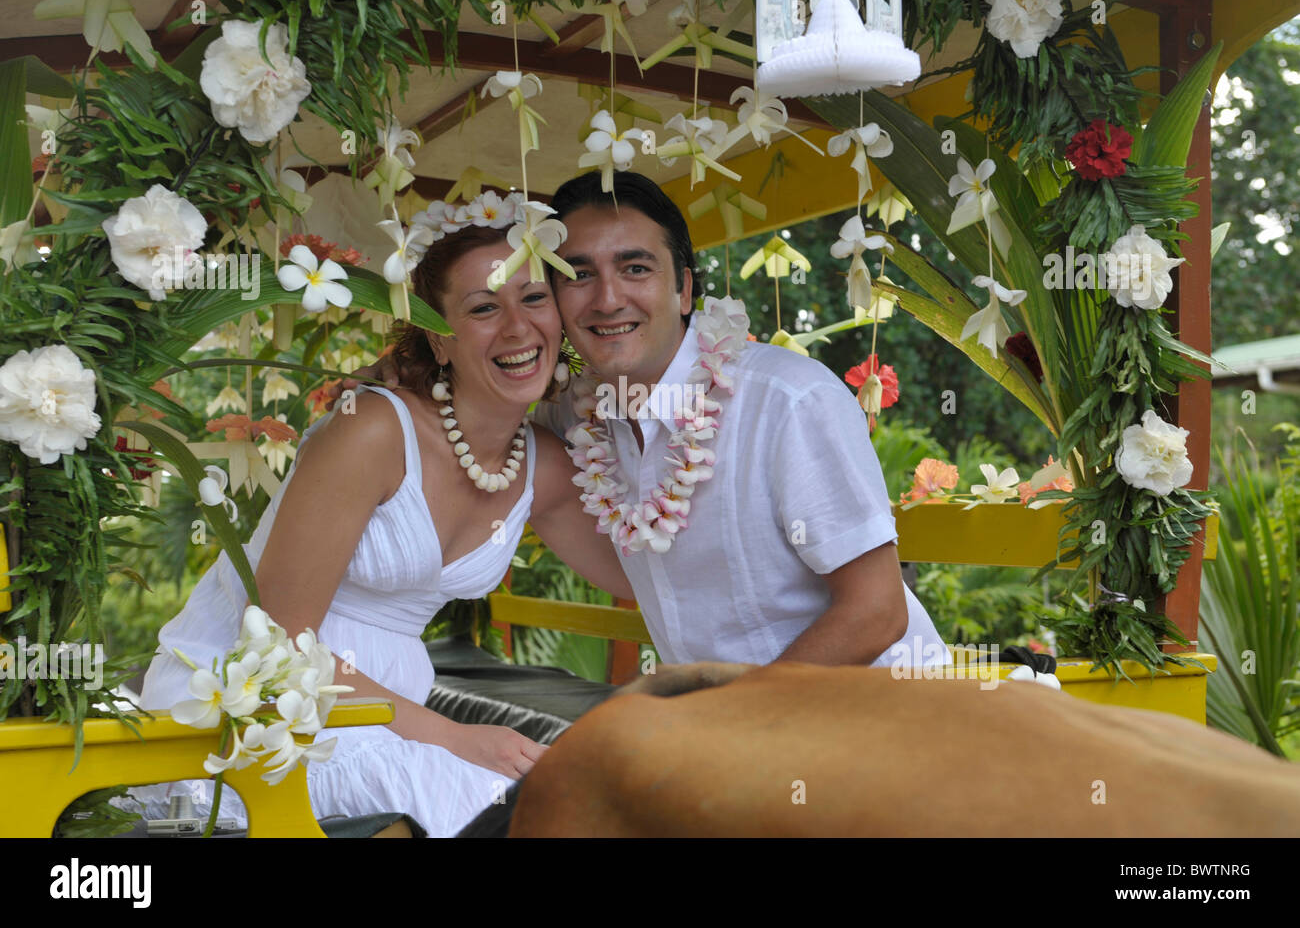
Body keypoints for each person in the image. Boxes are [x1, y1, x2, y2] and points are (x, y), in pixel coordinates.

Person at [134, 218, 633, 837]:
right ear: (439, 340)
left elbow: (647, 576)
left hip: (390, 715)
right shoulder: (371, 431)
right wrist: (458, 739)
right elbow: (279, 645)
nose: (517, 326)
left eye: (534, 298)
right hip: (263, 698)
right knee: (497, 806)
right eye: (483, 307)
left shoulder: (542, 464)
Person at [354, 172, 948, 671]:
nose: (608, 299)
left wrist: (732, 720)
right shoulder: (571, 417)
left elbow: (877, 610)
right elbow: (480, 415)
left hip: (871, 720)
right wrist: (418, 369)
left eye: (636, 269)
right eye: (578, 274)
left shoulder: (788, 401)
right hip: (717, 738)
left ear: (685, 289)